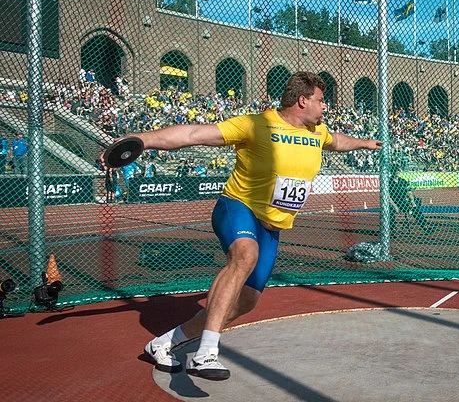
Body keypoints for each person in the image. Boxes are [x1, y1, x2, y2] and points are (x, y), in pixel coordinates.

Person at [104, 72, 381, 380]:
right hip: (237, 207)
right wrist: (142, 140)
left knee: (246, 301)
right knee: (244, 256)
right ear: (302, 100)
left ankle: (166, 343)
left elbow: (338, 141)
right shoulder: (255, 124)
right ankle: (206, 353)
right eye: (320, 100)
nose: (324, 107)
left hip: (271, 228)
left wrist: (365, 144)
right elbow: (193, 134)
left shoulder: (317, 131)